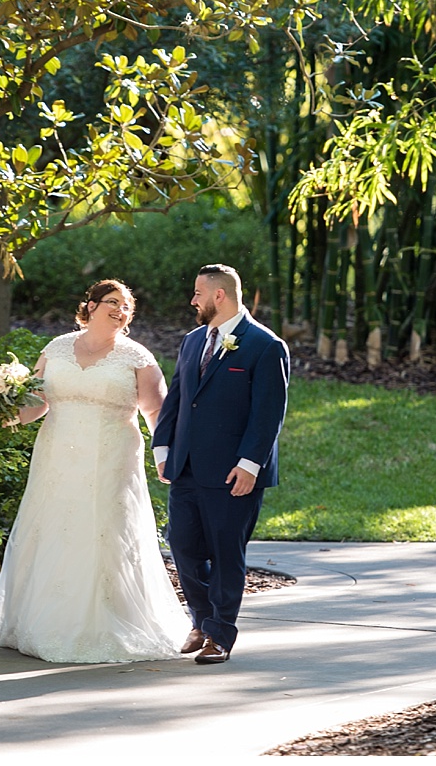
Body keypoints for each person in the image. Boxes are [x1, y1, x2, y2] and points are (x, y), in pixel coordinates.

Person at [0, 280, 188, 663]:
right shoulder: (57, 348)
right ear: (91, 306)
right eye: (112, 302)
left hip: (111, 457)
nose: (120, 310)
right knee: (54, 527)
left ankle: (105, 623)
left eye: (126, 306)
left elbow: (158, 413)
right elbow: (39, 401)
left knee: (102, 530)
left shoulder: (138, 358)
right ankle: (42, 621)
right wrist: (5, 412)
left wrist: (166, 457)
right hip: (57, 456)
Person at [152, 264, 290, 664]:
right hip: (187, 468)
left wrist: (249, 465)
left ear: (219, 296)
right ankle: (202, 620)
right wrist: (163, 448)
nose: (192, 300)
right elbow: (177, 398)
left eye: (197, 293)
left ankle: (219, 635)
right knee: (183, 546)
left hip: (234, 472)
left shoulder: (266, 345)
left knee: (226, 552)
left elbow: (268, 414)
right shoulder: (194, 340)